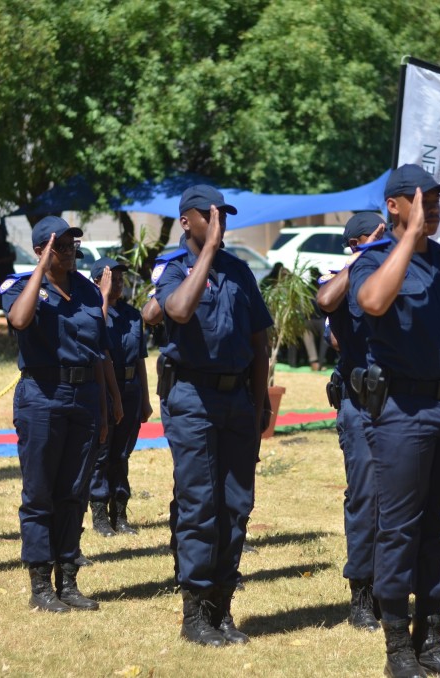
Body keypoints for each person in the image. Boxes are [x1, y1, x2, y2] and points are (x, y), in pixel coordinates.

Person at [348, 165, 440, 678]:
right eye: (421, 199)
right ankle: (398, 649)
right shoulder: (372, 260)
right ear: (395, 206)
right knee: (399, 530)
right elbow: (374, 302)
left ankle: (432, 641)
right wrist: (406, 240)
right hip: (403, 411)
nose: (432, 208)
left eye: (437, 200)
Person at [154, 185, 271, 646]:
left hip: (237, 401)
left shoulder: (241, 272)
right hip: (193, 401)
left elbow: (259, 345)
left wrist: (260, 404)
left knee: (236, 505)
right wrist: (209, 253)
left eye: (223, 214)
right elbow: (179, 310)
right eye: (210, 215)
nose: (219, 221)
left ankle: (222, 608)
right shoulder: (173, 270)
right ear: (187, 221)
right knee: (200, 506)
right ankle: (195, 614)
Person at [2, 216, 123, 613]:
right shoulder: (21, 287)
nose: (70, 251)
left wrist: (109, 404)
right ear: (41, 250)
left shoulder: (88, 292)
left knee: (73, 492)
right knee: (40, 493)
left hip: (85, 396)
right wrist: (40, 269)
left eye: (73, 245)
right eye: (61, 246)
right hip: (42, 394)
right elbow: (19, 320)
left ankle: (67, 578)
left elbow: (101, 350)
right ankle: (40, 585)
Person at [315, 211, 386, 631]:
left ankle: (389, 589)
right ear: (356, 242)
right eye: (375, 237)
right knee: (365, 499)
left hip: (401, 404)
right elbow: (328, 311)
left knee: (399, 503)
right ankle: (361, 590)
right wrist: (363, 258)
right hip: (360, 403)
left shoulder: (400, 269)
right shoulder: (341, 275)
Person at [88, 257, 153, 536]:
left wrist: (146, 399)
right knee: (102, 453)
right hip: (103, 389)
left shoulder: (132, 315)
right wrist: (101, 298)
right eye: (111, 278)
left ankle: (120, 512)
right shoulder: (92, 312)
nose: (118, 283)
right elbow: (96, 344)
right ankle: (100, 515)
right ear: (97, 282)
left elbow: (140, 359)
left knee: (122, 454)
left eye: (119, 279)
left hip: (130, 388)